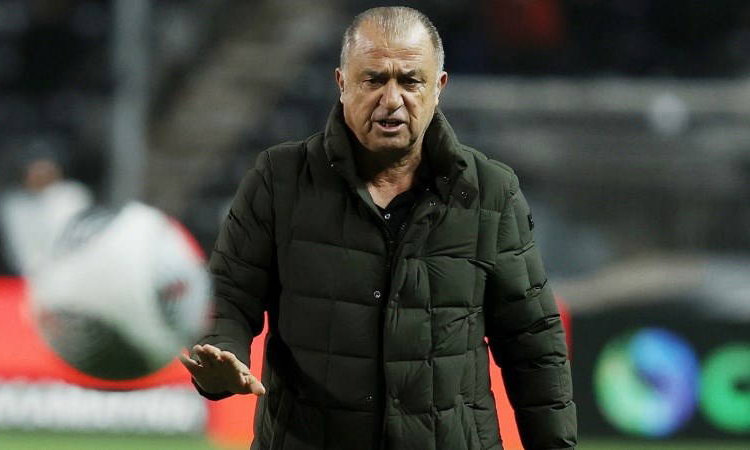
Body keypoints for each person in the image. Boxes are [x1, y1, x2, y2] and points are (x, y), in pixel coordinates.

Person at [180, 6, 577, 450]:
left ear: (438, 88)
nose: (391, 99)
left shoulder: (490, 192)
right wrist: (222, 353)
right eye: (373, 80)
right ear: (342, 84)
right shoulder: (279, 180)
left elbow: (532, 343)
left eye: (410, 81)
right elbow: (229, 297)